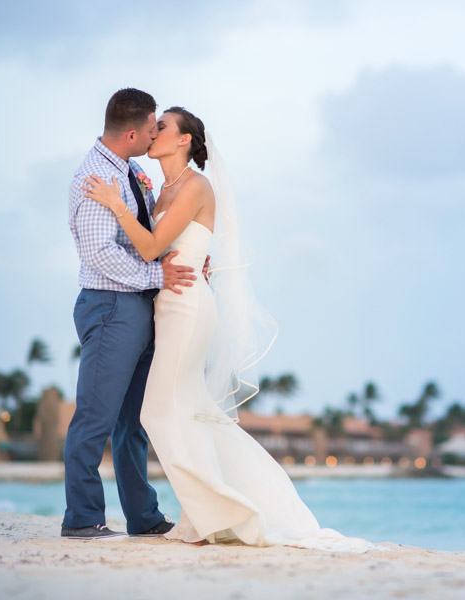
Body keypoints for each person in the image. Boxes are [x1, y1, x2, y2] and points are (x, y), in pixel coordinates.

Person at [82, 106, 381, 552]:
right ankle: (209, 513)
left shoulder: (196, 185)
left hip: (186, 308)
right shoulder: (161, 189)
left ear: (183, 140)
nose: (152, 131)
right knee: (190, 412)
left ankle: (222, 510)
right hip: (168, 305)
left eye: (162, 126)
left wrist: (115, 206)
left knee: (158, 412)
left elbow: (149, 248)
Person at [62, 89, 209, 539]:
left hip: (140, 307)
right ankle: (83, 518)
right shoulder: (93, 181)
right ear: (132, 132)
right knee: (95, 416)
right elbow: (102, 256)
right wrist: (158, 277)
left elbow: (151, 235)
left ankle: (143, 517)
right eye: (151, 128)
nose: (154, 134)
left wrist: (188, 254)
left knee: (134, 422)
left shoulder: (129, 172)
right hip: (111, 307)